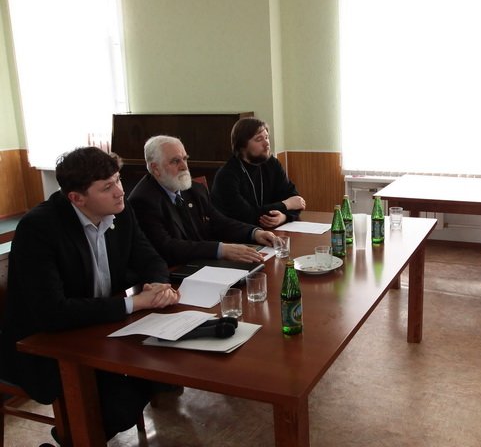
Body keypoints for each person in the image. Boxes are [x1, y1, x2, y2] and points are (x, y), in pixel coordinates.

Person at [0, 147, 180, 441]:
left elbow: (150, 259)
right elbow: (53, 312)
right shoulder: (39, 228)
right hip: (44, 342)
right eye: (107, 187)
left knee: (167, 370)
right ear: (77, 198)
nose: (120, 191)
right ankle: (75, 437)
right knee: (120, 406)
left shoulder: (121, 211)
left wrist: (158, 285)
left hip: (98, 329)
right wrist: (133, 303)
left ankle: (74, 437)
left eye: (118, 180)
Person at [128, 135, 275, 267]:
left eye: (185, 158)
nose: (184, 167)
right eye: (175, 161)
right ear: (155, 168)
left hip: (203, 264)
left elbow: (219, 222)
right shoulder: (142, 201)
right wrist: (220, 250)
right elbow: (167, 247)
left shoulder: (194, 189)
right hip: (174, 273)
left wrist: (254, 233)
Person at [211, 117, 306, 228]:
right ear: (242, 146)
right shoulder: (227, 175)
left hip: (270, 231)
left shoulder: (272, 164)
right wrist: (286, 205)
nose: (266, 143)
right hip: (236, 234)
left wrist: (284, 217)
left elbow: (296, 200)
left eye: (266, 137)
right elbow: (247, 216)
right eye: (259, 139)